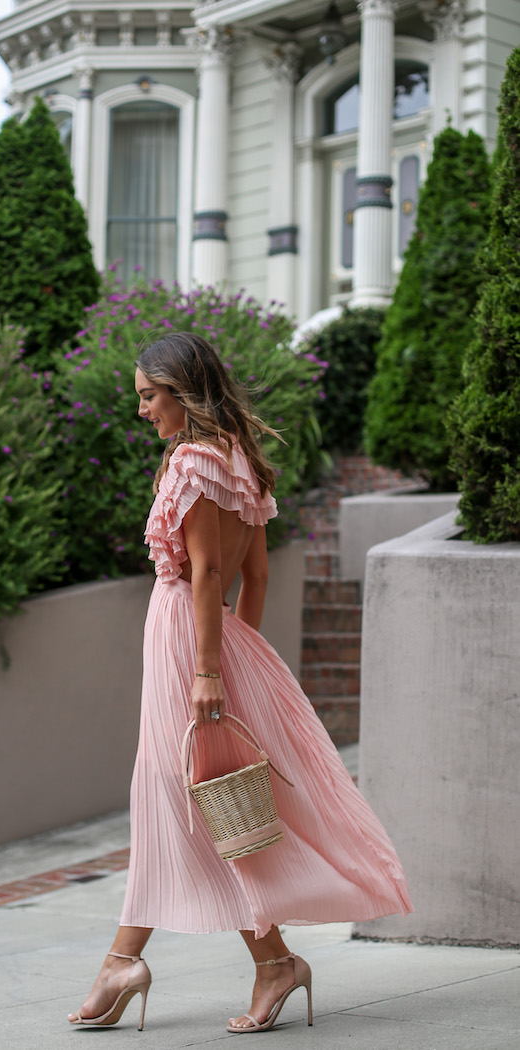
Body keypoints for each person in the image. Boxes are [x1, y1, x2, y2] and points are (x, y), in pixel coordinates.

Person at [68, 332, 412, 1034]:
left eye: (148, 396)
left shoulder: (192, 463)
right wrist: (236, 649)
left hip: (184, 640)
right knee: (190, 801)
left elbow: (207, 573)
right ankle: (241, 961)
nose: (142, 411)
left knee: (181, 797)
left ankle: (147, 961)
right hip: (222, 638)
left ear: (181, 393)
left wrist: (206, 670)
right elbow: (253, 577)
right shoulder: (243, 464)